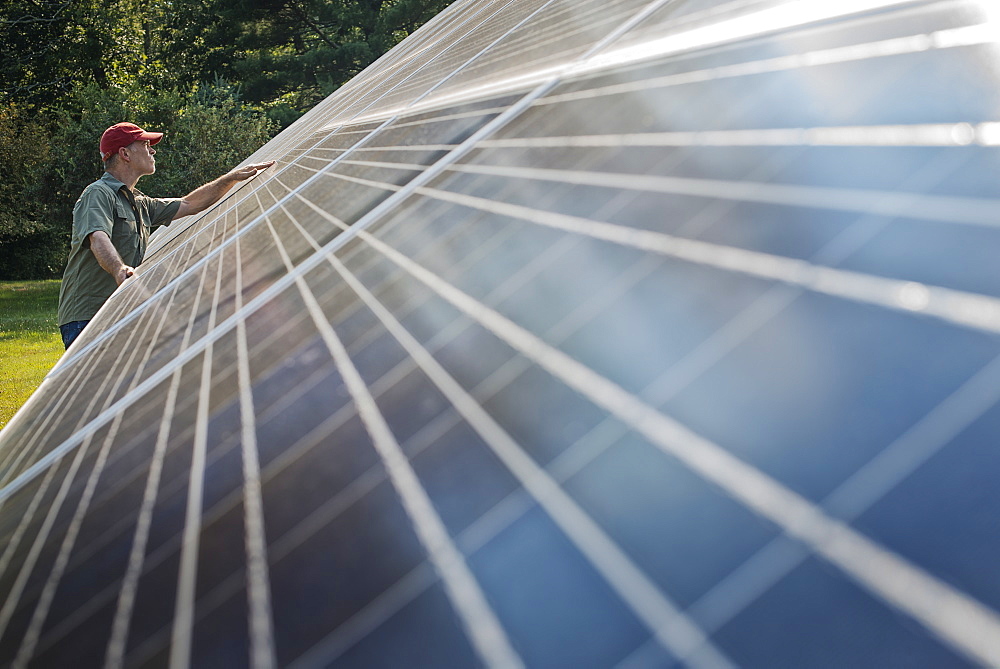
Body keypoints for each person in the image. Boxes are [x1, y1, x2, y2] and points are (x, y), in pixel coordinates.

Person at [57, 122, 274, 349]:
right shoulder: (98, 193)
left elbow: (190, 203)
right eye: (145, 144)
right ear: (124, 154)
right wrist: (119, 270)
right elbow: (97, 237)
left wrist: (230, 178)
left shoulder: (140, 203)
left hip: (116, 312)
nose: (152, 150)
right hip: (88, 317)